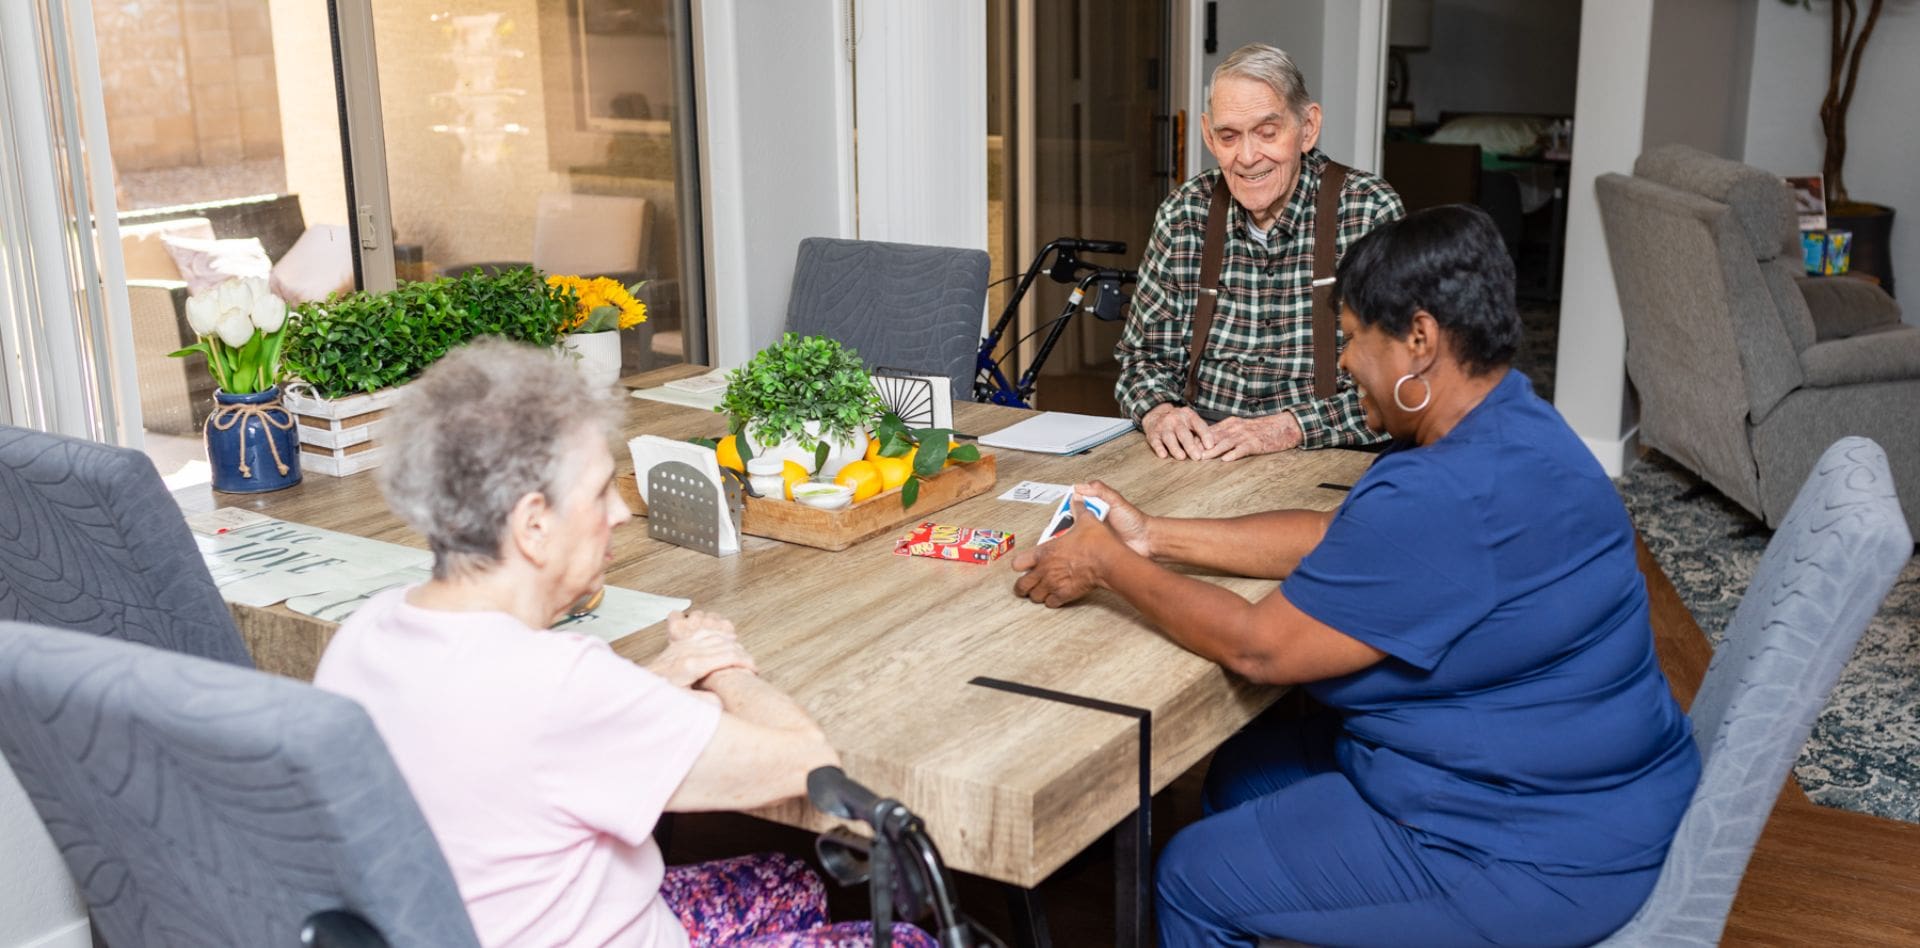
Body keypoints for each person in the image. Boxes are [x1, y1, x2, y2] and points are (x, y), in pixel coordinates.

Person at [1016, 206, 1702, 947]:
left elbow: (1259, 647)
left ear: (1418, 340)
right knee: (1241, 772)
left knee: (1187, 874)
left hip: (1533, 847)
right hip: (1581, 781)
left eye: (1350, 340)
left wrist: (1107, 564)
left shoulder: (1446, 494)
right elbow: (1341, 540)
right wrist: (1151, 534)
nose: (1342, 363)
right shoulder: (1514, 424)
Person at [314, 338, 933, 948]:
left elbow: (524, 737)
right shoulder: (563, 687)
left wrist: (654, 679)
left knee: (793, 879)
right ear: (534, 525)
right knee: (909, 940)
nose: (619, 513)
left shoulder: (368, 628)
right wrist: (718, 662)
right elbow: (807, 760)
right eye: (600, 491)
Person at [1116, 42, 1404, 461]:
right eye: (1228, 136)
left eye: (1267, 133)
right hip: (1203, 453)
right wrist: (1159, 411)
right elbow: (1141, 359)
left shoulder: (1367, 211)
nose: (1248, 157)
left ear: (1308, 127)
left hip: (1326, 448)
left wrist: (1289, 428)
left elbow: (1395, 387)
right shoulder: (1184, 214)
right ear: (1207, 135)